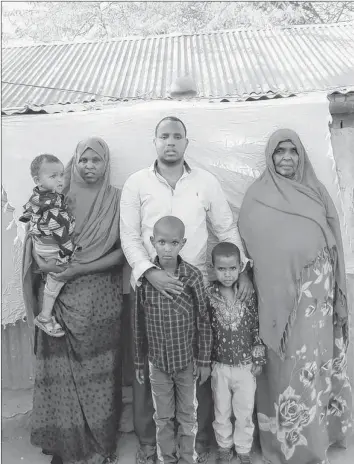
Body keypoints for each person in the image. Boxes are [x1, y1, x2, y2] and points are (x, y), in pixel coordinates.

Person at [120, 116, 254, 464]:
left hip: (195, 287)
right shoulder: (137, 183)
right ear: (154, 141)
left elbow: (225, 228)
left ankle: (196, 442)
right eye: (164, 136)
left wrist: (239, 272)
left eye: (177, 136)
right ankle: (150, 444)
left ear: (186, 143)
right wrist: (150, 272)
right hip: (150, 287)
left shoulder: (205, 182)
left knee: (197, 364)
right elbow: (130, 235)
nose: (171, 142)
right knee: (151, 369)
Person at [238, 129, 352, 464]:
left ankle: (320, 437)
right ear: (269, 156)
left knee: (314, 364)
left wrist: (338, 293)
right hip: (277, 301)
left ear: (301, 155)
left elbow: (336, 243)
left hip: (317, 297)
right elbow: (251, 246)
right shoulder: (255, 196)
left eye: (293, 151)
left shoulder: (317, 192)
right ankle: (285, 444)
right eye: (279, 151)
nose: (286, 158)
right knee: (285, 365)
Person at [22, 137, 124, 464]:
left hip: (100, 301)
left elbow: (124, 252)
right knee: (61, 374)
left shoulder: (116, 200)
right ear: (73, 163)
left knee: (99, 372)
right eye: (84, 160)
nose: (90, 166)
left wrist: (79, 268)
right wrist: (47, 265)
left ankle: (98, 444)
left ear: (106, 163)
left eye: (97, 160)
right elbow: (35, 243)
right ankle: (66, 444)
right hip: (58, 299)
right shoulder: (55, 197)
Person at [134, 216, 213, 464]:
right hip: (157, 363)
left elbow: (203, 320)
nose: (167, 249)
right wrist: (139, 362)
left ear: (183, 243)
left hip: (186, 362)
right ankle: (166, 458)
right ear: (152, 242)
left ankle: (188, 458)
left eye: (174, 243)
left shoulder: (192, 277)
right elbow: (138, 324)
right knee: (163, 417)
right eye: (161, 242)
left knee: (188, 415)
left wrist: (203, 360)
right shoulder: (146, 279)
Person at [207, 242, 266, 464]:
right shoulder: (209, 295)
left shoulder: (247, 294)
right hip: (219, 365)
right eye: (222, 269)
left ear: (241, 267)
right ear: (213, 269)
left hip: (245, 365)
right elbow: (203, 329)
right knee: (221, 410)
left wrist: (258, 357)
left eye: (232, 268)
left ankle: (243, 449)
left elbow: (255, 327)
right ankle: (224, 447)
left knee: (244, 410)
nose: (228, 274)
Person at [19, 154, 76, 337]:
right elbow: (61, 234)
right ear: (38, 180)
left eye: (61, 174)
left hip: (41, 243)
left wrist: (30, 220)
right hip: (52, 247)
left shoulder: (39, 195)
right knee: (57, 278)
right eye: (53, 176)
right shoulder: (52, 207)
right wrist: (67, 256)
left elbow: (27, 211)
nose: (60, 180)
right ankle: (44, 316)